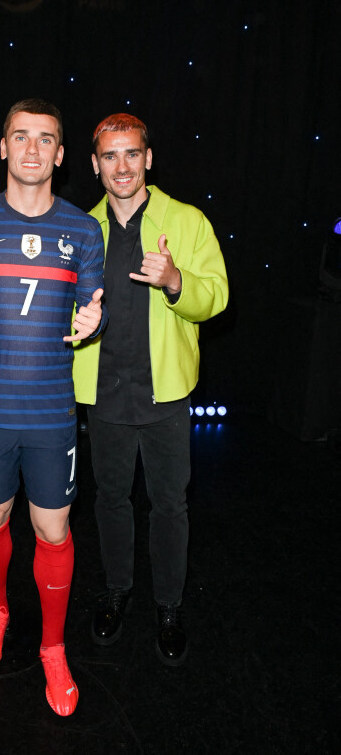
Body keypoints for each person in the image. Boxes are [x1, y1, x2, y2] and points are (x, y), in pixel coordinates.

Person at [0, 99, 105, 715]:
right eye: (21, 138)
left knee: (52, 528)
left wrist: (94, 317)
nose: (33, 150)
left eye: (46, 140)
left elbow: (92, 305)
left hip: (51, 410)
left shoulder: (84, 230)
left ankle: (53, 648)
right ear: (3, 147)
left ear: (61, 155)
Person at [72, 113, 228, 666]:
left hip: (165, 395)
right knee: (110, 499)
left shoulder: (186, 221)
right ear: (94, 165)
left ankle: (168, 605)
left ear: (148, 158)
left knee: (169, 504)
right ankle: (117, 590)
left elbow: (217, 296)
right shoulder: (81, 229)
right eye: (110, 156)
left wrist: (175, 280)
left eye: (132, 153)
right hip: (106, 392)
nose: (122, 166)